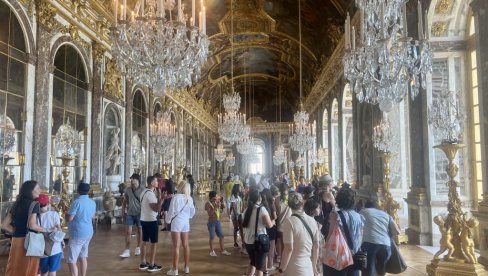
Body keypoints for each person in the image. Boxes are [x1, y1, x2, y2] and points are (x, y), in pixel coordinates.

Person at [2, 180, 45, 276]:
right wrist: (46, 230)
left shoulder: (16, 204)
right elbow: (32, 225)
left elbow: (4, 225)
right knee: (28, 269)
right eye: (38, 188)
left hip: (16, 241)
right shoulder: (35, 204)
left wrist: (15, 230)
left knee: (14, 268)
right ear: (31, 191)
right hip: (29, 242)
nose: (40, 190)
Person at [323, 186, 364, 276]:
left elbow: (330, 235)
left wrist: (325, 249)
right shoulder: (359, 216)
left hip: (340, 256)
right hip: (355, 255)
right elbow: (361, 235)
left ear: (338, 199)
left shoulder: (336, 215)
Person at [276, 193, 320, 276]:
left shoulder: (289, 221)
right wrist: (314, 266)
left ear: (289, 205)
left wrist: (281, 270)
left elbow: (289, 249)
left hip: (293, 269)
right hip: (308, 267)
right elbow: (316, 246)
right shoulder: (313, 221)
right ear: (302, 203)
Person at [360, 201, 398, 276]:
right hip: (386, 246)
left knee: (368, 271)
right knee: (381, 272)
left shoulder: (363, 211)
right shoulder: (385, 214)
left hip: (369, 244)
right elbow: (397, 231)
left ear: (365, 206)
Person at [165, 181, 196, 275]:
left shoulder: (175, 198)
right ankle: (186, 267)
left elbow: (171, 211)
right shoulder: (189, 198)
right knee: (186, 245)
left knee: (176, 246)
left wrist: (167, 221)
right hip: (185, 222)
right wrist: (187, 217)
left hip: (177, 222)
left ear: (180, 187)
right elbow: (192, 213)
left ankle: (175, 269)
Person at [66, 182, 96, 276]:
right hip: (88, 232)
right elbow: (93, 216)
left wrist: (66, 215)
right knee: (83, 256)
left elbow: (70, 218)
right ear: (88, 191)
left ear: (77, 191)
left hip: (78, 233)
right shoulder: (92, 202)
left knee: (71, 260)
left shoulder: (77, 202)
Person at [242, 190, 273, 276]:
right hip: (258, 242)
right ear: (259, 198)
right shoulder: (261, 209)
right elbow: (269, 225)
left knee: (253, 262)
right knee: (259, 267)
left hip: (248, 241)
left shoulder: (247, 210)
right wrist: (273, 221)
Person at [139, 176, 164, 272]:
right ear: (152, 183)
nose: (157, 182)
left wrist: (159, 196)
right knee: (153, 243)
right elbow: (157, 209)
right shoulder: (150, 194)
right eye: (156, 181)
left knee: (144, 241)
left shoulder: (144, 192)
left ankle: (143, 263)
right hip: (151, 220)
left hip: (144, 219)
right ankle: (152, 265)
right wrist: (161, 199)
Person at [38, 194, 63, 276]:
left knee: (43, 272)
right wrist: (62, 241)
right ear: (48, 204)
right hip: (55, 248)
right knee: (53, 271)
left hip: (42, 249)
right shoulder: (54, 214)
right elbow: (59, 229)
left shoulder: (36, 217)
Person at [119, 173, 144, 258]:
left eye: (133, 179)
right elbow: (125, 201)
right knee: (128, 232)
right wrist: (122, 211)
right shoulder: (128, 190)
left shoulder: (143, 190)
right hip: (130, 213)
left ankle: (138, 247)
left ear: (137, 180)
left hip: (140, 214)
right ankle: (127, 250)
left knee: (139, 231)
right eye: (131, 179)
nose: (131, 180)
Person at [205, 191, 231, 257]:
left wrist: (221, 204)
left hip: (218, 221)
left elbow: (221, 211)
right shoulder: (207, 204)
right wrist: (216, 207)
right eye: (216, 196)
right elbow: (210, 214)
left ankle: (223, 250)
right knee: (212, 236)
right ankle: (212, 251)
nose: (217, 198)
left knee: (221, 236)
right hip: (211, 222)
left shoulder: (217, 202)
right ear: (212, 197)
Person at [261, 188, 278, 272]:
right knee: (271, 248)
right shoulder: (272, 203)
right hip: (272, 227)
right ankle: (270, 265)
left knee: (264, 249)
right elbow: (275, 216)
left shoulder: (261, 205)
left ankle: (264, 267)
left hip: (264, 227)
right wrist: (272, 220)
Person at [275, 182, 291, 264]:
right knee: (289, 245)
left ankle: (282, 261)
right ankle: (286, 262)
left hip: (280, 224)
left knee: (282, 244)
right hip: (290, 224)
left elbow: (276, 213)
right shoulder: (291, 198)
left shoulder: (277, 199)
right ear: (287, 189)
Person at [229, 183, 245, 251]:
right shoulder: (233, 196)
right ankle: (235, 243)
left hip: (239, 214)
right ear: (237, 189)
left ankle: (243, 242)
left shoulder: (239, 196)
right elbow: (233, 206)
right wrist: (236, 215)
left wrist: (241, 213)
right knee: (236, 228)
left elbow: (241, 205)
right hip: (235, 215)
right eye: (240, 187)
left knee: (241, 228)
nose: (241, 188)